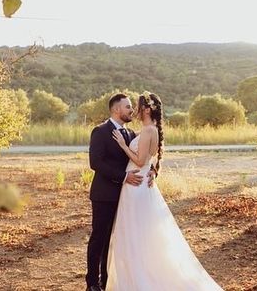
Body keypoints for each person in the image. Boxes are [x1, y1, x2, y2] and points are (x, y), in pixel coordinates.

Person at [105, 91, 223, 291]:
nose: (135, 109)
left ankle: (140, 279)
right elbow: (148, 161)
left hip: (136, 187)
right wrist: (152, 169)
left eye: (138, 105)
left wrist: (124, 145)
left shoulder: (149, 130)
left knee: (136, 233)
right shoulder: (148, 130)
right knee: (138, 232)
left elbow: (140, 160)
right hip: (138, 184)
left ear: (147, 109)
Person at [85, 93, 156, 291]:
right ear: (116, 109)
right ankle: (92, 283)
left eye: (132, 106)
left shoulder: (131, 134)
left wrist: (152, 170)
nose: (131, 110)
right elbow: (95, 163)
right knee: (100, 238)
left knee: (117, 240)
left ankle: (108, 280)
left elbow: (142, 156)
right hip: (104, 195)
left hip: (128, 196)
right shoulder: (100, 131)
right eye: (128, 107)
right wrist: (124, 177)